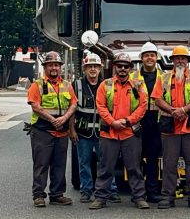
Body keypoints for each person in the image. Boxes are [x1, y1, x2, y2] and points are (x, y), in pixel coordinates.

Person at [89, 53, 149, 210]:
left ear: (130, 68)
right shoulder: (105, 85)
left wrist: (128, 121)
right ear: (115, 67)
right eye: (119, 66)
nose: (122, 69)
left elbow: (143, 106)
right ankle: (101, 198)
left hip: (130, 133)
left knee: (135, 168)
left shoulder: (138, 86)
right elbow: (100, 106)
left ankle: (139, 198)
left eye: (125, 66)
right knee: (105, 167)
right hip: (109, 133)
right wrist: (113, 122)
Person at [151, 45, 190, 209]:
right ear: (173, 61)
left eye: (183, 58)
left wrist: (183, 110)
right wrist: (172, 111)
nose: (180, 60)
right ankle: (168, 197)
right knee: (169, 164)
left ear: (188, 61)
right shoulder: (164, 78)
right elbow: (157, 98)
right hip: (170, 128)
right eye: (177, 58)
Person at [27, 51, 77, 207]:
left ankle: (57, 194)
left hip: (61, 132)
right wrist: (53, 120)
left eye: (56, 65)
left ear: (60, 67)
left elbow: (73, 105)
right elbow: (35, 107)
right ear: (45, 67)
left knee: (59, 164)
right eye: (50, 65)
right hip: (42, 131)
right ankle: (38, 195)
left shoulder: (67, 85)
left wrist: (64, 119)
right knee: (41, 164)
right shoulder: (37, 85)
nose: (54, 68)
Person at [69, 53, 120, 203]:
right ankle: (86, 191)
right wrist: (71, 130)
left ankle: (111, 189)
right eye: (89, 66)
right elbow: (71, 109)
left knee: (106, 163)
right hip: (82, 133)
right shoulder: (77, 85)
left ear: (100, 68)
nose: (92, 69)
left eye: (95, 66)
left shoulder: (108, 85)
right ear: (84, 69)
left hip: (102, 132)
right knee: (84, 163)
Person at [130, 42, 163, 203]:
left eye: (152, 55)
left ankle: (152, 191)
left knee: (153, 159)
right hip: (138, 122)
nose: (149, 58)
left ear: (157, 58)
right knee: (135, 160)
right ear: (141, 58)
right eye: (146, 55)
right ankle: (138, 193)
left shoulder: (164, 77)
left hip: (156, 123)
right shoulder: (132, 78)